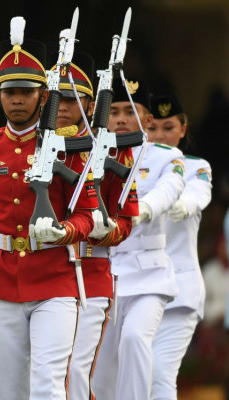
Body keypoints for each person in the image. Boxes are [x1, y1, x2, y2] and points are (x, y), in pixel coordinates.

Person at [0, 17, 99, 400]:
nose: (17, 100)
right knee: (10, 390)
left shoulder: (70, 145)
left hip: (55, 277)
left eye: (26, 92)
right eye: (10, 93)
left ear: (43, 96)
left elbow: (89, 213)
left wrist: (65, 232)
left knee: (48, 384)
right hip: (3, 279)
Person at [91, 78, 186, 400]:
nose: (120, 119)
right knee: (100, 370)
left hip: (149, 275)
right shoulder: (90, 157)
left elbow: (169, 190)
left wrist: (143, 209)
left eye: (129, 112)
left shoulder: (165, 156)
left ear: (146, 120)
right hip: (103, 275)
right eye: (114, 111)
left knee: (134, 339)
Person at [60, 53, 138, 400]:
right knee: (45, 366)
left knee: (77, 367)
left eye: (71, 98)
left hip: (90, 268)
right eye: (55, 99)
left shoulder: (116, 152)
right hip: (42, 267)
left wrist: (104, 229)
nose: (62, 106)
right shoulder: (30, 147)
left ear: (90, 104)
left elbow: (126, 221)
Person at [148, 91, 212, 399]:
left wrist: (182, 205)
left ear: (183, 129)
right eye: (153, 127)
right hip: (134, 288)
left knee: (160, 375)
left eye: (169, 127)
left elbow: (198, 194)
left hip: (178, 290)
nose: (160, 135)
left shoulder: (194, 167)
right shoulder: (126, 169)